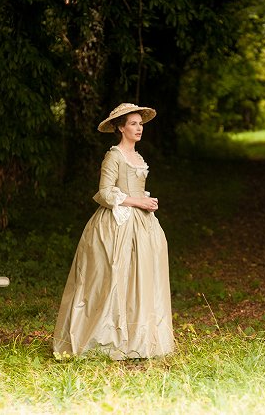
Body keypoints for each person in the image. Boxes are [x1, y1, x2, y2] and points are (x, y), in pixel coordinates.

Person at [53, 103, 175, 360]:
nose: (139, 128)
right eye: (133, 123)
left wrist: (147, 201)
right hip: (117, 225)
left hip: (142, 224)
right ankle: (106, 339)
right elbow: (105, 192)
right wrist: (137, 201)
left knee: (140, 278)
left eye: (140, 123)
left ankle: (140, 338)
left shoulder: (138, 157)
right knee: (113, 277)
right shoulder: (114, 156)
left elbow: (137, 191)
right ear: (121, 128)